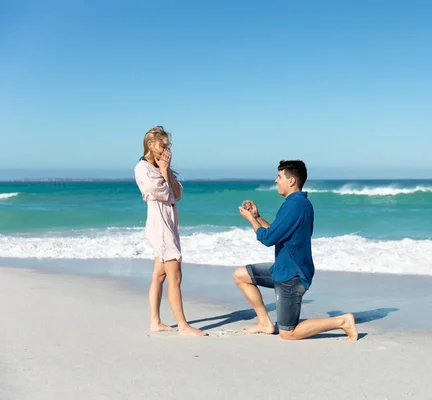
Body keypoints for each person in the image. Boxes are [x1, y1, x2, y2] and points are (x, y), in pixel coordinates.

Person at [233, 160, 358, 341]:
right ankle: (264, 323)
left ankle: (342, 321)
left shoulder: (295, 206)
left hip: (292, 276)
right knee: (240, 275)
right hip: (283, 269)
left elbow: (267, 239)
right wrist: (257, 217)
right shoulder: (297, 203)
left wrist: (250, 220)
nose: (276, 180)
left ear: (291, 181)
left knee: (288, 333)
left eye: (279, 176)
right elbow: (275, 233)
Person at [134, 126, 206, 336]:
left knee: (159, 276)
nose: (166, 150)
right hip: (160, 227)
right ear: (150, 144)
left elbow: (178, 193)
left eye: (168, 146)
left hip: (169, 225)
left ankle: (155, 322)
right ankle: (183, 326)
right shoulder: (143, 168)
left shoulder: (161, 167)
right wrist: (165, 172)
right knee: (175, 276)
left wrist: (166, 171)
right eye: (163, 145)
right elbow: (163, 193)